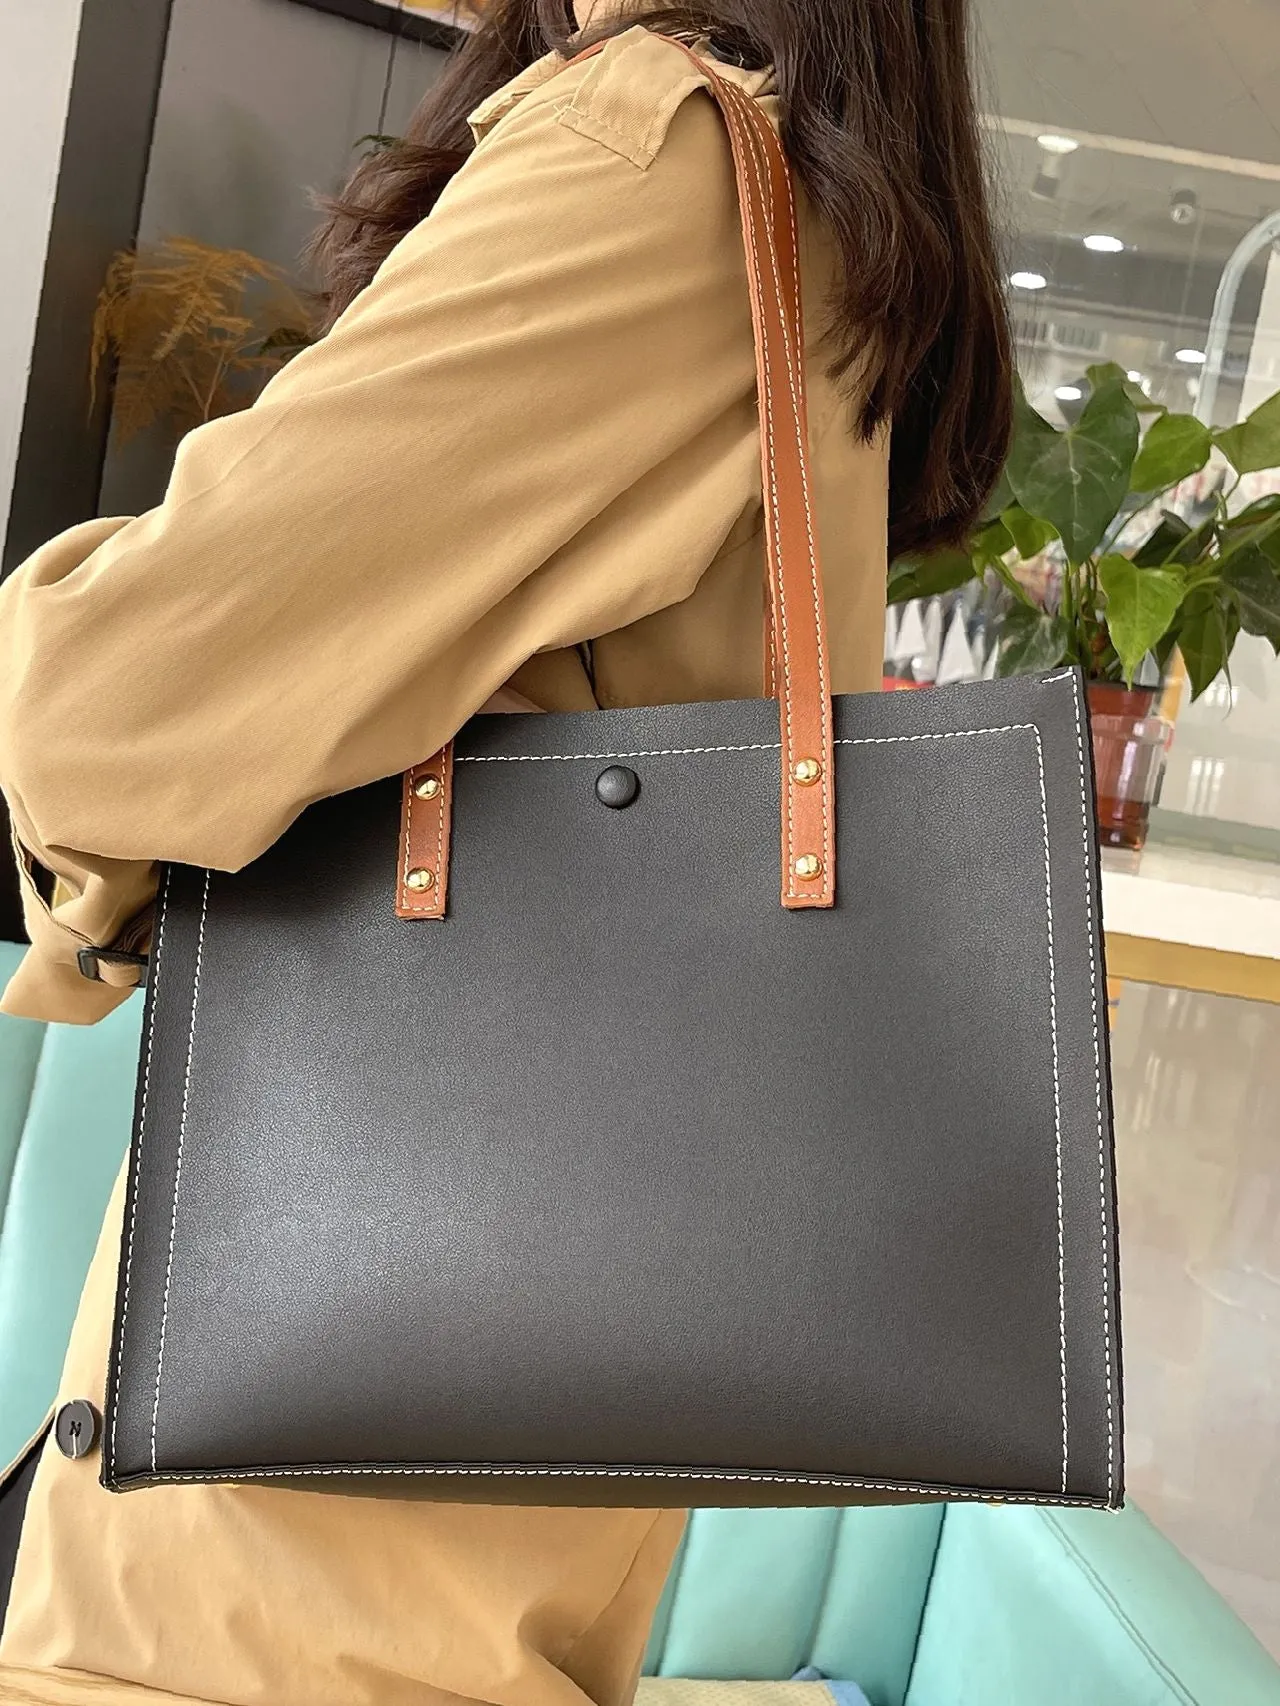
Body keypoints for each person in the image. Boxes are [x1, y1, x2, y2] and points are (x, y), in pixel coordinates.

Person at [0, 0, 1012, 1700]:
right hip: (418, 1542)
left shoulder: (646, 151)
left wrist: (99, 821)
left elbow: (105, 703)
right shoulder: (804, 190)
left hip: (281, 1587)